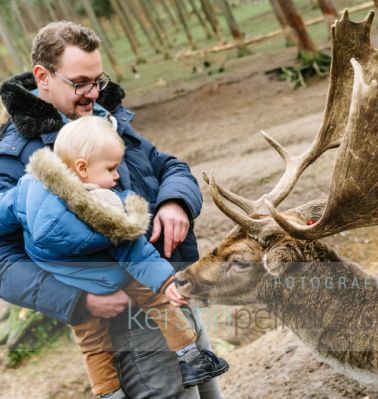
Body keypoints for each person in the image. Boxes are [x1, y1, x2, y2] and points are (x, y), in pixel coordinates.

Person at [0, 21, 223, 399]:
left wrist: (175, 202)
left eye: (98, 79)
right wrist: (78, 301)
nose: (92, 93)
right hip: (123, 326)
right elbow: (3, 259)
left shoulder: (107, 119)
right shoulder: (15, 158)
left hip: (171, 293)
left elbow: (169, 167)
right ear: (43, 76)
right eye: (80, 82)